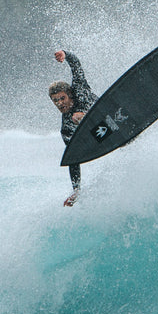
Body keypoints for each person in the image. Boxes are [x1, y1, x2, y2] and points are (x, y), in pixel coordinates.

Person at [50, 49, 97, 206]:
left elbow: (76, 65)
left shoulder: (79, 89)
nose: (60, 103)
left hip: (107, 112)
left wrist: (65, 54)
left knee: (77, 115)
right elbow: (73, 158)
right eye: (55, 101)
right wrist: (76, 190)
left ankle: (86, 117)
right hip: (99, 132)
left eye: (62, 98)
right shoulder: (66, 129)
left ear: (69, 94)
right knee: (74, 119)